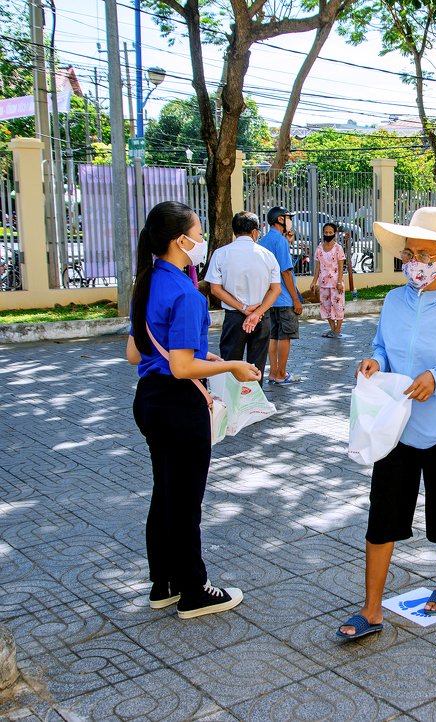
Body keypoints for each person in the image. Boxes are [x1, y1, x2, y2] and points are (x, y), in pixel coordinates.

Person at [337, 207, 436, 640]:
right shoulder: (393, 300)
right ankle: (371, 608)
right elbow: (382, 345)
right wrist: (373, 362)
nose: (415, 261)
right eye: (410, 253)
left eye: (425, 253)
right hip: (394, 428)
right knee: (382, 515)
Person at [126, 201, 261, 619]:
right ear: (179, 240)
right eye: (198, 233)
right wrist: (233, 365)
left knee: (165, 493)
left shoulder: (146, 281)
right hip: (179, 404)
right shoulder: (185, 292)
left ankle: (163, 583)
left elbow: (135, 353)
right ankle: (194, 591)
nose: (202, 240)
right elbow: (184, 366)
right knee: (185, 501)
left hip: (149, 399)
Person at [205, 211, 282, 375]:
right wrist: (256, 313)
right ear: (255, 232)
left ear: (234, 232)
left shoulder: (221, 254)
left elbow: (215, 289)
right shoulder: (267, 255)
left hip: (234, 316)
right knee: (257, 367)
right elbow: (275, 289)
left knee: (230, 364)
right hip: (261, 317)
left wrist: (243, 308)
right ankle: (255, 399)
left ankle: (231, 399)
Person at [258, 206, 303, 385]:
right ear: (280, 220)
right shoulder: (280, 241)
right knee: (285, 336)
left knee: (273, 336)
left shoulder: (263, 241)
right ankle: (282, 373)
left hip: (269, 298)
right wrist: (295, 298)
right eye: (288, 217)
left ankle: (273, 372)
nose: (290, 220)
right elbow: (285, 272)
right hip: (284, 297)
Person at [310, 222, 346, 338]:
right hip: (323, 284)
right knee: (326, 306)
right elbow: (317, 267)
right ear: (323, 233)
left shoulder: (338, 248)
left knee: (338, 306)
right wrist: (314, 282)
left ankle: (338, 330)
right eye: (326, 232)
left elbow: (341, 266)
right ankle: (332, 329)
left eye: (330, 232)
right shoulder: (319, 249)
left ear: (335, 233)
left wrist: (340, 282)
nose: (328, 234)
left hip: (336, 284)